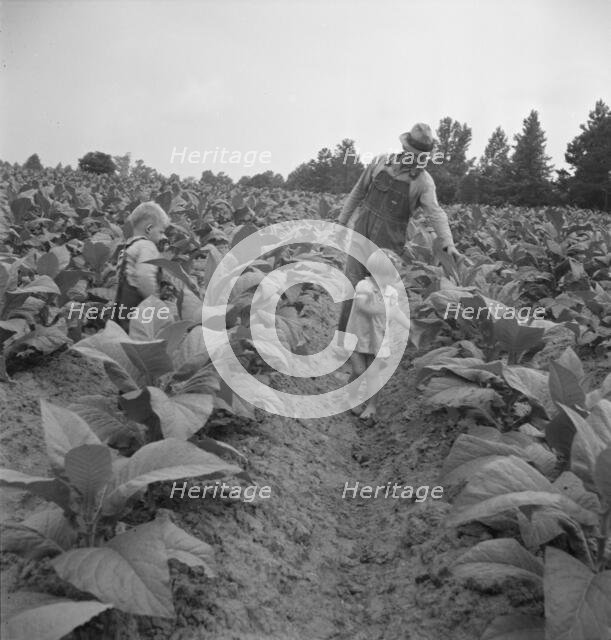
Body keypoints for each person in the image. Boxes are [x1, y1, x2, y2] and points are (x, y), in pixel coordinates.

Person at [337, 122, 465, 338]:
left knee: (378, 294)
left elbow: (436, 213)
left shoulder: (424, 182)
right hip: (362, 234)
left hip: (389, 244)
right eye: (413, 154)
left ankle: (369, 346)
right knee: (352, 285)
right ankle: (342, 339)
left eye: (421, 156)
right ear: (405, 149)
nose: (417, 159)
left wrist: (448, 243)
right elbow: (358, 191)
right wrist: (342, 221)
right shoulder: (380, 163)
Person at [345, 249, 411, 424]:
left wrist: (409, 326)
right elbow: (362, 306)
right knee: (359, 371)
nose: (394, 280)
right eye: (391, 276)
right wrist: (381, 310)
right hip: (358, 336)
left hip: (378, 339)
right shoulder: (364, 287)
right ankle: (352, 398)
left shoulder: (391, 292)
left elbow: (395, 312)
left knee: (374, 374)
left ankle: (371, 405)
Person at [114, 201, 169, 331]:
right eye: (161, 232)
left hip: (121, 305)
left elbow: (119, 276)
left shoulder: (128, 246)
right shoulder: (147, 246)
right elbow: (145, 276)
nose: (163, 236)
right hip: (138, 306)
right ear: (149, 229)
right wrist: (155, 301)